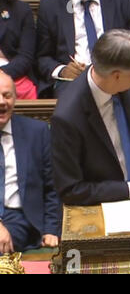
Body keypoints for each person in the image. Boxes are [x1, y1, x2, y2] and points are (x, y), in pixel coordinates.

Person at [51, 29, 130, 206]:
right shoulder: (68, 117)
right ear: (117, 75)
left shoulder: (129, 85)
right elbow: (71, 190)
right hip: (101, 206)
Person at [0, 71, 60, 254]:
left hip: (20, 217)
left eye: (7, 95)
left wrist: (51, 229)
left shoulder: (37, 131)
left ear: (15, 99)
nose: (2, 102)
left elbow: (53, 187)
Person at [36, 0, 130, 98]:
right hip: (73, 80)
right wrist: (62, 70)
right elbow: (42, 57)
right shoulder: (50, 6)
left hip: (116, 75)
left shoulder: (122, 0)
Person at [0, 0, 37, 99]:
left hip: (11, 71)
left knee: (25, 90)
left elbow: (25, 56)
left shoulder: (21, 10)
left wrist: (3, 72)